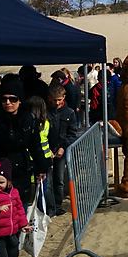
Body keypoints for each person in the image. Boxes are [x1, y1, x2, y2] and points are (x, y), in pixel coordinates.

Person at [0, 76, 49, 207]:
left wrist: (41, 168)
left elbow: (35, 146)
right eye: (4, 99)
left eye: (12, 99)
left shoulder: (29, 121)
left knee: (20, 207)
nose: (8, 102)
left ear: (20, 101)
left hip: (22, 171)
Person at [45, 85, 79, 216]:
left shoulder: (69, 112)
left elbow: (72, 133)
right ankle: (50, 206)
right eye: (54, 100)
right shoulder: (46, 112)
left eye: (59, 100)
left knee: (59, 179)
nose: (57, 103)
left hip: (61, 150)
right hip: (47, 149)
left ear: (64, 98)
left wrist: (63, 148)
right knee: (48, 181)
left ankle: (57, 205)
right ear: (49, 98)